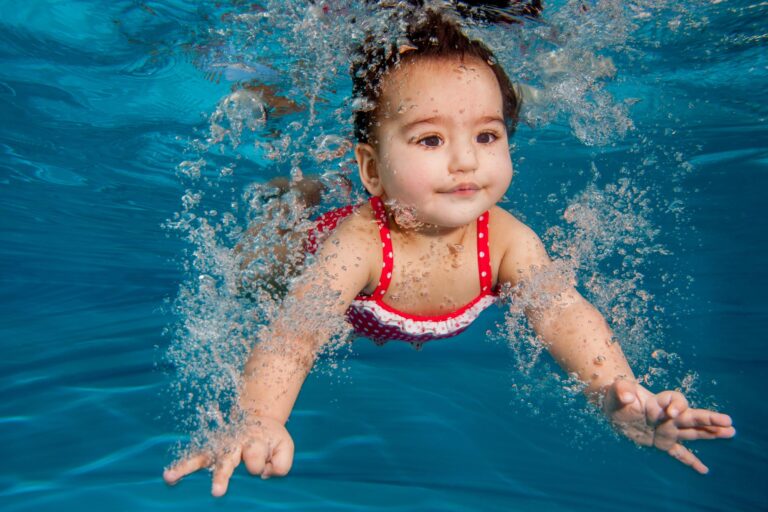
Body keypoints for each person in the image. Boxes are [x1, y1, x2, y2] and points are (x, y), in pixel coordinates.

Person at [163, 5, 735, 497]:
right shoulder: (358, 246)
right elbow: (296, 333)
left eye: (487, 135)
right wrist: (260, 417)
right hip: (304, 253)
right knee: (253, 275)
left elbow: (564, 312)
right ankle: (295, 186)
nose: (466, 160)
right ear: (372, 169)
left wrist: (616, 394)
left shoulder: (507, 240)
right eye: (431, 139)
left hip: (375, 292)